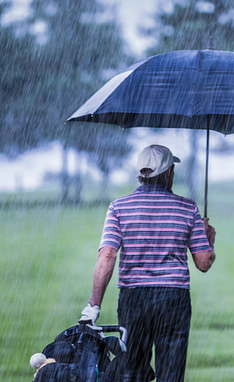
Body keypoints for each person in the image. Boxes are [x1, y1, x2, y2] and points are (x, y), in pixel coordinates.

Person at [79, 144, 216, 382]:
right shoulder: (188, 208)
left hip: (134, 300)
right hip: (173, 300)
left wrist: (94, 306)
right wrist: (209, 240)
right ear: (169, 172)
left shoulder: (119, 207)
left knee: (131, 373)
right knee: (171, 375)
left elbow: (107, 256)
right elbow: (203, 263)